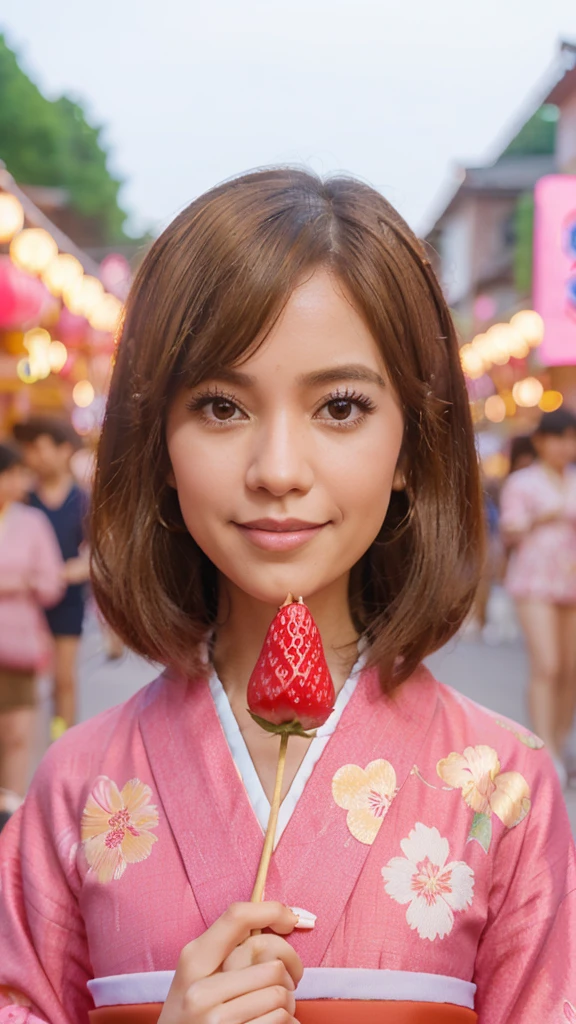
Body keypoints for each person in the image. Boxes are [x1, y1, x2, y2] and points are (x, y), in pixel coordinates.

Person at [0, 169, 574, 1024]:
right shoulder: (77, 788)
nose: (277, 470)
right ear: (158, 443)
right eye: (221, 407)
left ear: (412, 444)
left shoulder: (505, 788)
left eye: (340, 407)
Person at [500, 408, 576, 783]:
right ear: (542, 441)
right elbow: (509, 533)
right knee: (547, 665)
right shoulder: (523, 482)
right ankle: (543, 747)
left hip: (572, 581)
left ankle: (560, 746)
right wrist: (543, 518)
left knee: (570, 669)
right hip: (534, 581)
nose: (567, 446)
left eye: (572, 439)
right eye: (560, 438)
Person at [12, 417, 90, 733]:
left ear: (64, 451)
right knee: (27, 676)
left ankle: (62, 736)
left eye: (44, 449)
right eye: (32, 450)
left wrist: (71, 571)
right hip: (27, 599)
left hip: (68, 598)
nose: (37, 457)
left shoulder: (82, 499)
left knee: (63, 678)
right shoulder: (23, 497)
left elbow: (98, 552)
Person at [0, 442, 64, 824]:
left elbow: (51, 583)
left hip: (18, 645)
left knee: (17, 736)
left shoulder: (32, 521)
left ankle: (10, 818)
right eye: (13, 473)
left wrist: (17, 582)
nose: (21, 480)